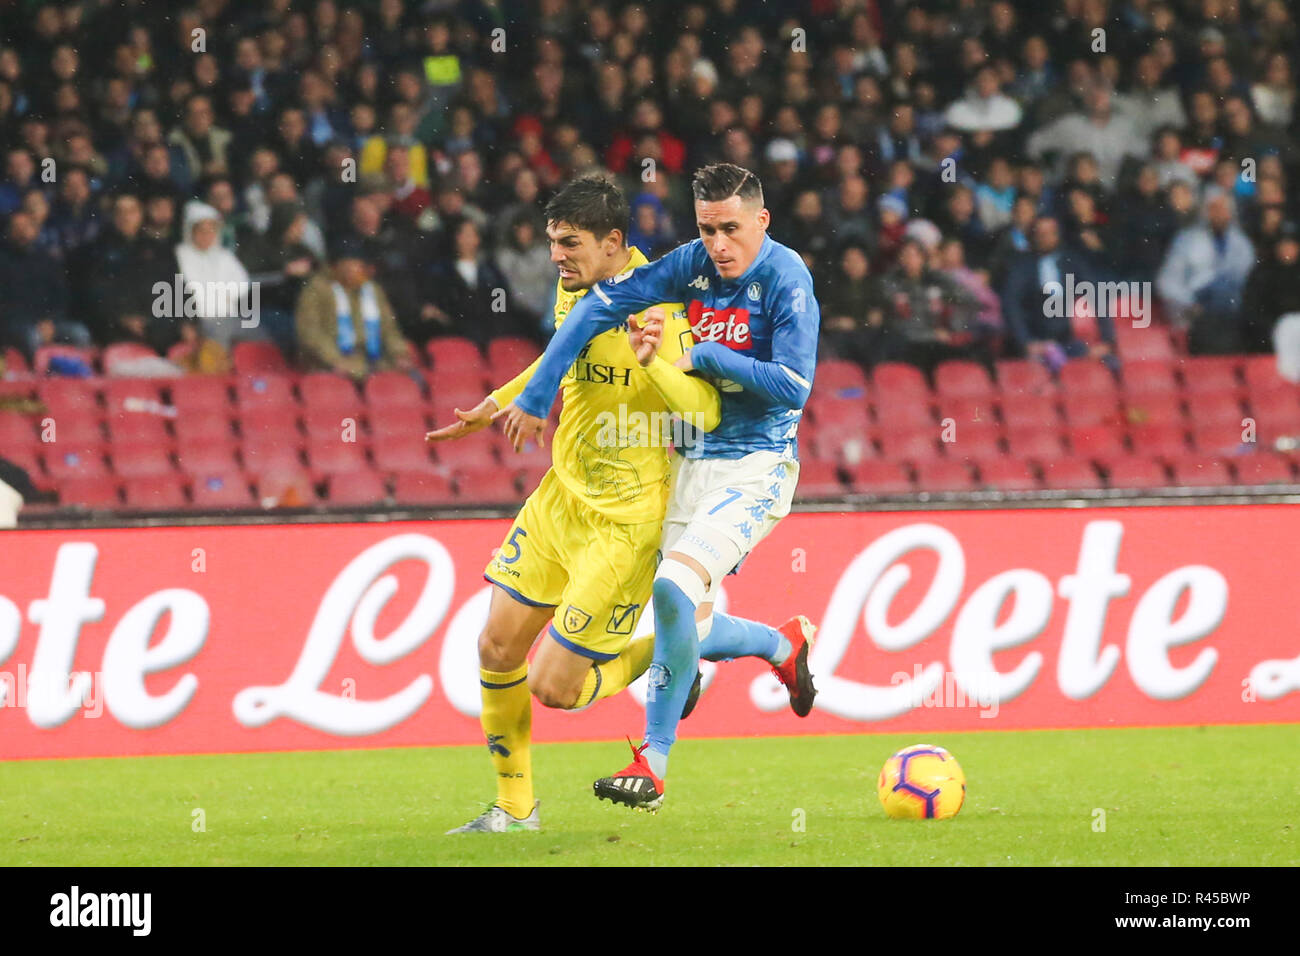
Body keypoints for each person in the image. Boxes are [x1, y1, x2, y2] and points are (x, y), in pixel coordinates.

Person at [495, 163, 820, 812]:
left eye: (732, 228)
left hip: (756, 464)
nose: (720, 244)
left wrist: (704, 357)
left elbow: (793, 383)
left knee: (672, 587)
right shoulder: (691, 264)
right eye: (708, 229)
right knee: (687, 627)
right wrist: (533, 395)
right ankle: (785, 644)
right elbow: (599, 306)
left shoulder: (787, 277)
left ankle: (654, 763)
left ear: (762, 221)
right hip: (690, 466)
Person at [434, 176, 722, 833]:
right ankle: (513, 808)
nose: (556, 256)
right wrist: (499, 401)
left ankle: (677, 656)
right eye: (551, 243)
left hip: (624, 524)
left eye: (570, 244)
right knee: (496, 647)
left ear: (614, 243)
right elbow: (561, 360)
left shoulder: (661, 313)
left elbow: (702, 412)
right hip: (561, 499)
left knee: (553, 689)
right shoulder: (580, 290)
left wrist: (652, 365)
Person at [295, 237, 413, 380]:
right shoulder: (317, 289)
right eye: (349, 265)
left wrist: (399, 353)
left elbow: (388, 328)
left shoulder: (372, 289)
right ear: (336, 266)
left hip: (371, 359)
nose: (354, 270)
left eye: (358, 266)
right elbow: (310, 332)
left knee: (407, 379)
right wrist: (335, 359)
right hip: (328, 363)